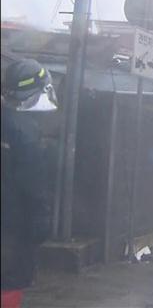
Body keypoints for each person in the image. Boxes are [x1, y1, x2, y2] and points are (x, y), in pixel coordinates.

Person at [1, 59, 58, 308]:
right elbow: (34, 189)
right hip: (13, 229)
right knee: (11, 280)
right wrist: (40, 227)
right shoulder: (26, 133)